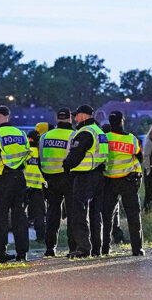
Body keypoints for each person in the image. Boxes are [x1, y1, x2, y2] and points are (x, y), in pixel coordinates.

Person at [0, 106, 31, 263]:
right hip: (19, 178)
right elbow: (27, 157)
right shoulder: (21, 134)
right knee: (19, 216)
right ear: (8, 116)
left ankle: (0, 253)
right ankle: (22, 253)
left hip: (2, 181)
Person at [64, 105, 108, 258]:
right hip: (99, 175)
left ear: (83, 116)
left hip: (84, 176)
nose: (75, 118)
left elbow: (75, 155)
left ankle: (83, 247)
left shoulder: (85, 132)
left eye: (77, 115)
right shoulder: (99, 131)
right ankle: (97, 248)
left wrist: (66, 165)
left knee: (79, 212)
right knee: (96, 213)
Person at [101, 111, 144, 256]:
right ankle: (137, 249)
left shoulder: (105, 138)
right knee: (133, 216)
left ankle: (105, 248)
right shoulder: (131, 139)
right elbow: (140, 156)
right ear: (122, 121)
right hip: (128, 181)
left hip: (109, 181)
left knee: (107, 217)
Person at [40, 107, 76, 257]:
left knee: (52, 214)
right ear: (70, 119)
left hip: (50, 178)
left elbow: (40, 159)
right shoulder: (74, 135)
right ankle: (72, 248)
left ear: (57, 119)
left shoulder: (45, 136)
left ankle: (50, 248)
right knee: (72, 214)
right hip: (68, 177)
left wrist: (46, 175)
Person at [24, 130, 46, 243]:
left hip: (25, 186)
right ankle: (41, 237)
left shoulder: (25, 152)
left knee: (21, 213)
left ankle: (23, 237)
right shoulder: (41, 153)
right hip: (38, 187)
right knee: (39, 214)